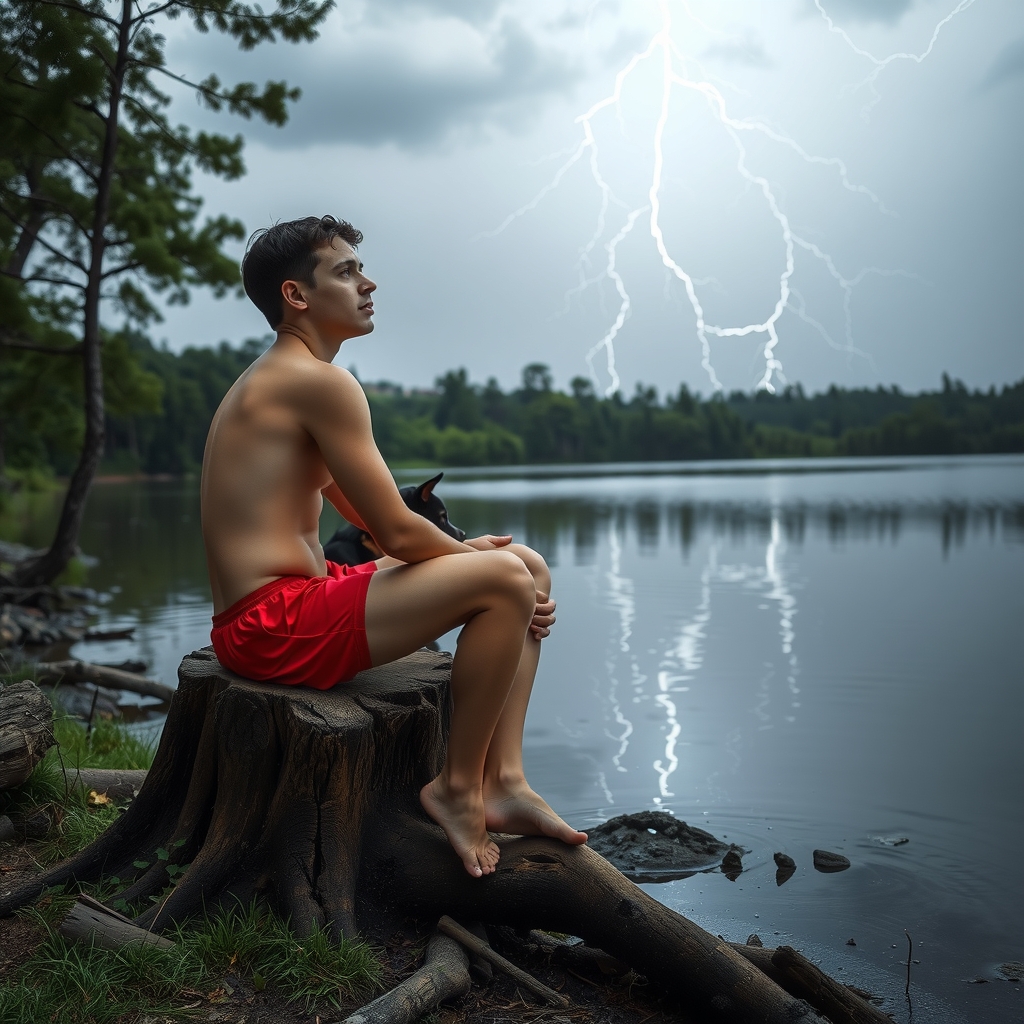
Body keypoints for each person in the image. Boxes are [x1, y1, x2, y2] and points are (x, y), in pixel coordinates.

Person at [201, 215, 587, 878]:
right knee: (505, 580)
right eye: (346, 272)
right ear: (297, 296)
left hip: (294, 609)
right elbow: (404, 533)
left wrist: (493, 566)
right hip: (271, 627)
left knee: (528, 568)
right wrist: (486, 572)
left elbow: (380, 529)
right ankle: (457, 789)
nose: (368, 282)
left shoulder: (295, 377)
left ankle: (506, 780)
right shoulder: (316, 382)